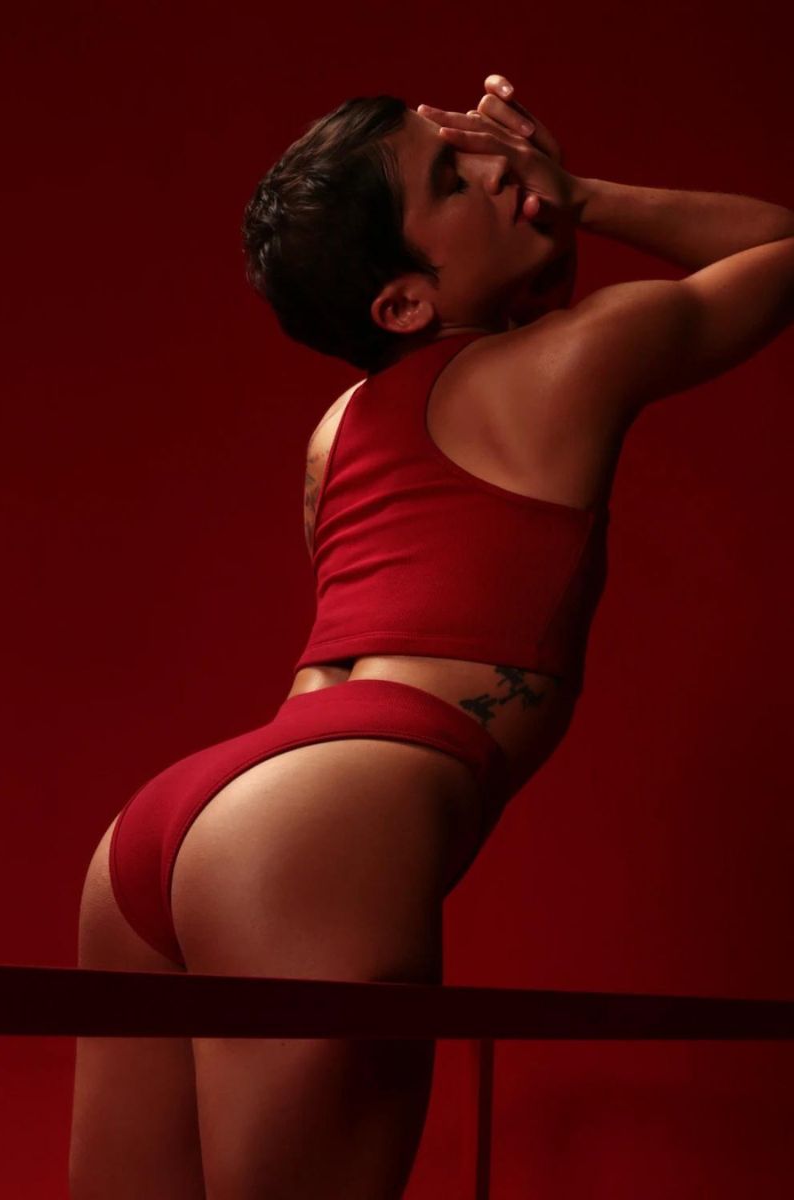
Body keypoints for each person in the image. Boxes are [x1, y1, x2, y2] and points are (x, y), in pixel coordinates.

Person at [69, 73, 794, 1199]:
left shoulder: (335, 428)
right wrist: (584, 197)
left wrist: (528, 248)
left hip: (175, 827)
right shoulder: (571, 359)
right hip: (320, 830)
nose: (502, 172)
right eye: (453, 177)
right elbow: (778, 250)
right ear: (402, 302)